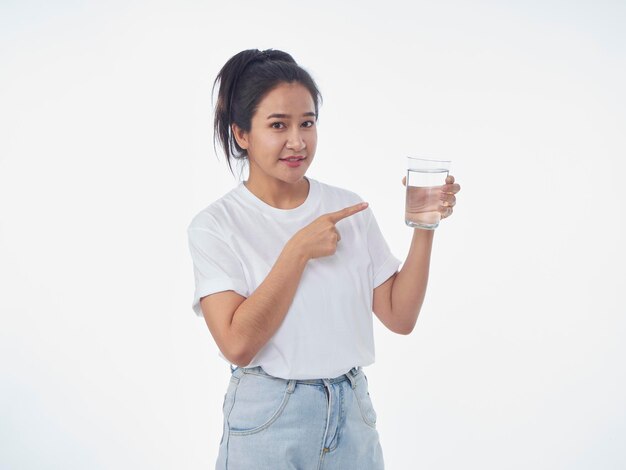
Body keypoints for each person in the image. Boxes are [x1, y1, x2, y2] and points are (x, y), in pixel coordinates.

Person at [187, 48, 461, 470]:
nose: (297, 141)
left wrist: (425, 226)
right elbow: (238, 345)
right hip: (268, 418)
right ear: (241, 133)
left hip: (352, 412)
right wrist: (297, 252)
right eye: (278, 125)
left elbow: (400, 317)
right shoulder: (216, 225)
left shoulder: (348, 208)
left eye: (307, 123)